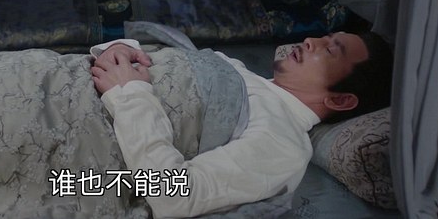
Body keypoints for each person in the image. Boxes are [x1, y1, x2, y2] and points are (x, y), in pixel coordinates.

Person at [90, 31, 393, 218]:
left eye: (330, 50)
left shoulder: (283, 143)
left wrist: (130, 95)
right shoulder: (234, 67)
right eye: (323, 38)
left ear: (341, 100)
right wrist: (119, 49)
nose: (310, 41)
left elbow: (175, 195)